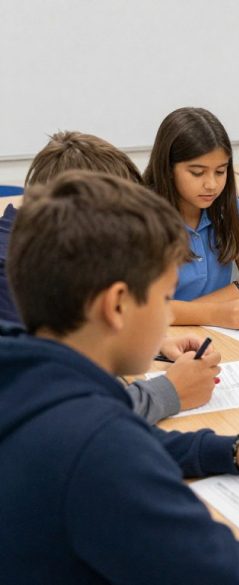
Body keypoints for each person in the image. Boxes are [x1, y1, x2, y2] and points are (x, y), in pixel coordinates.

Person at [1, 171, 239, 584]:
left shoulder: (28, 371)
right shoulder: (98, 450)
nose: (170, 315)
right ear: (117, 306)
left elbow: (122, 431)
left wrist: (235, 452)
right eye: (166, 298)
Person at [0, 130, 217, 421]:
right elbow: (61, 412)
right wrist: (170, 391)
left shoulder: (37, 250)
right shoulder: (14, 284)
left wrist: (150, 344)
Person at [144, 107, 239, 328]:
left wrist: (196, 313)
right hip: (163, 336)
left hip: (213, 330)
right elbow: (145, 311)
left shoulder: (227, 207)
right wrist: (212, 313)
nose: (212, 184)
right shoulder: (142, 218)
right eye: (197, 173)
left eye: (220, 171)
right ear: (168, 168)